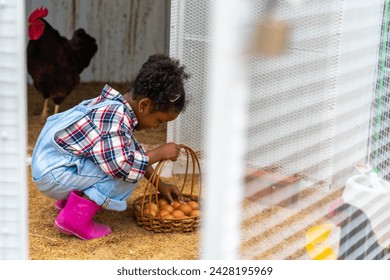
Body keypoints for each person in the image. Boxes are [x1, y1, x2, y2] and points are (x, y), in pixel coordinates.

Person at [31, 54, 189, 240]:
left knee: (124, 160)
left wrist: (160, 184)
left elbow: (132, 151)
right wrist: (160, 153)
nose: (156, 127)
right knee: (127, 174)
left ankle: (70, 203)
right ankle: (74, 219)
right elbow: (123, 166)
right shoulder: (115, 116)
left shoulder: (114, 107)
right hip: (54, 174)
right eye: (159, 121)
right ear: (145, 105)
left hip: (52, 165)